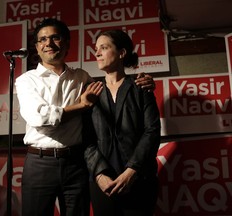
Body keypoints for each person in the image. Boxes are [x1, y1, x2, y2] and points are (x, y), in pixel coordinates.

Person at [15, 18, 155, 216]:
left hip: (75, 165)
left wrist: (146, 80)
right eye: (42, 39)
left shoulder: (83, 78)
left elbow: (118, 86)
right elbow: (39, 118)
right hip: (40, 163)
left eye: (55, 37)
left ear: (66, 43)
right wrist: (80, 105)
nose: (48, 43)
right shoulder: (25, 81)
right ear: (37, 47)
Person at [83, 29, 161, 216]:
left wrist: (131, 172)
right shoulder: (90, 91)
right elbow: (86, 138)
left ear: (122, 53)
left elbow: (152, 131)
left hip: (139, 179)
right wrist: (99, 175)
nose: (97, 53)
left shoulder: (141, 86)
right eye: (96, 49)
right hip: (103, 183)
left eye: (104, 47)